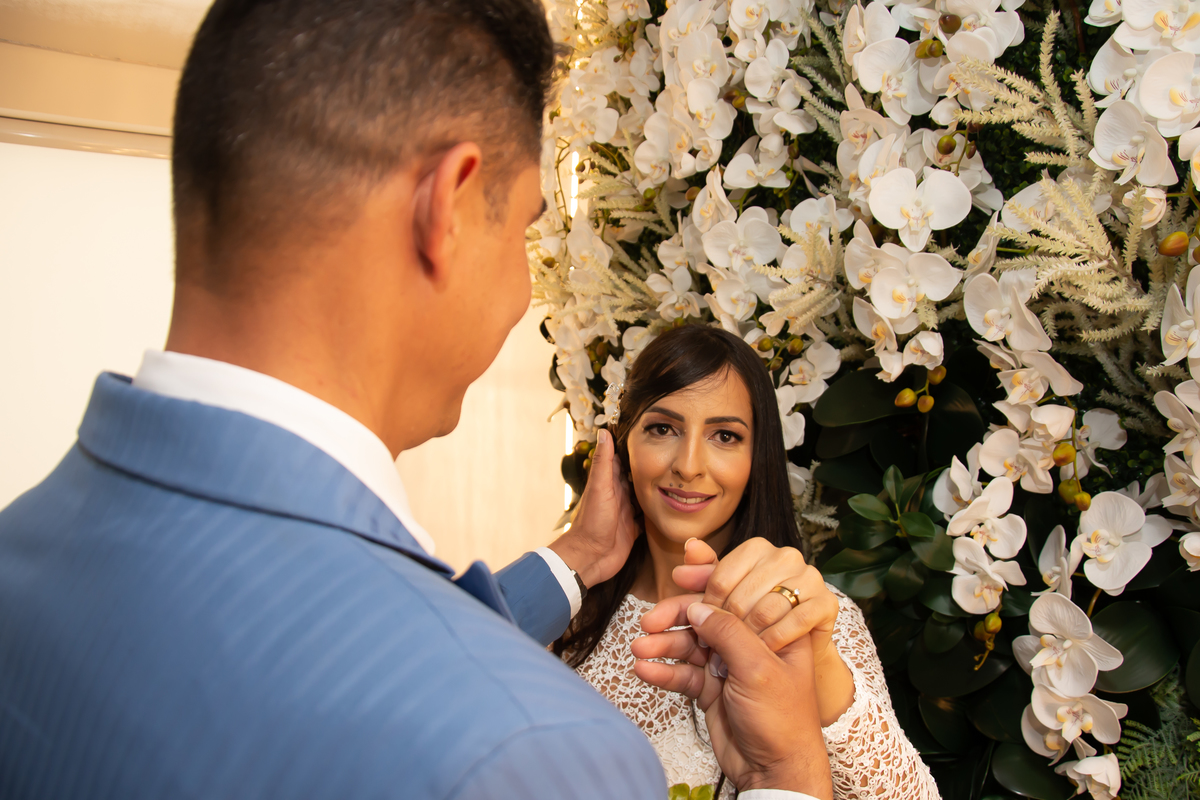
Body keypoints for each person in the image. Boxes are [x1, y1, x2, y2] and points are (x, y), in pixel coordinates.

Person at [0, 1, 835, 799]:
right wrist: (786, 775)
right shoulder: (538, 749)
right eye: (524, 229)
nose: (521, 292)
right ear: (450, 208)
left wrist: (575, 558)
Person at [555, 325, 941, 800]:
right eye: (662, 428)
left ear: (758, 455)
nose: (689, 465)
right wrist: (578, 555)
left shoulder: (809, 617)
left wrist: (816, 665)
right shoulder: (567, 605)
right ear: (620, 442)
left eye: (724, 435)